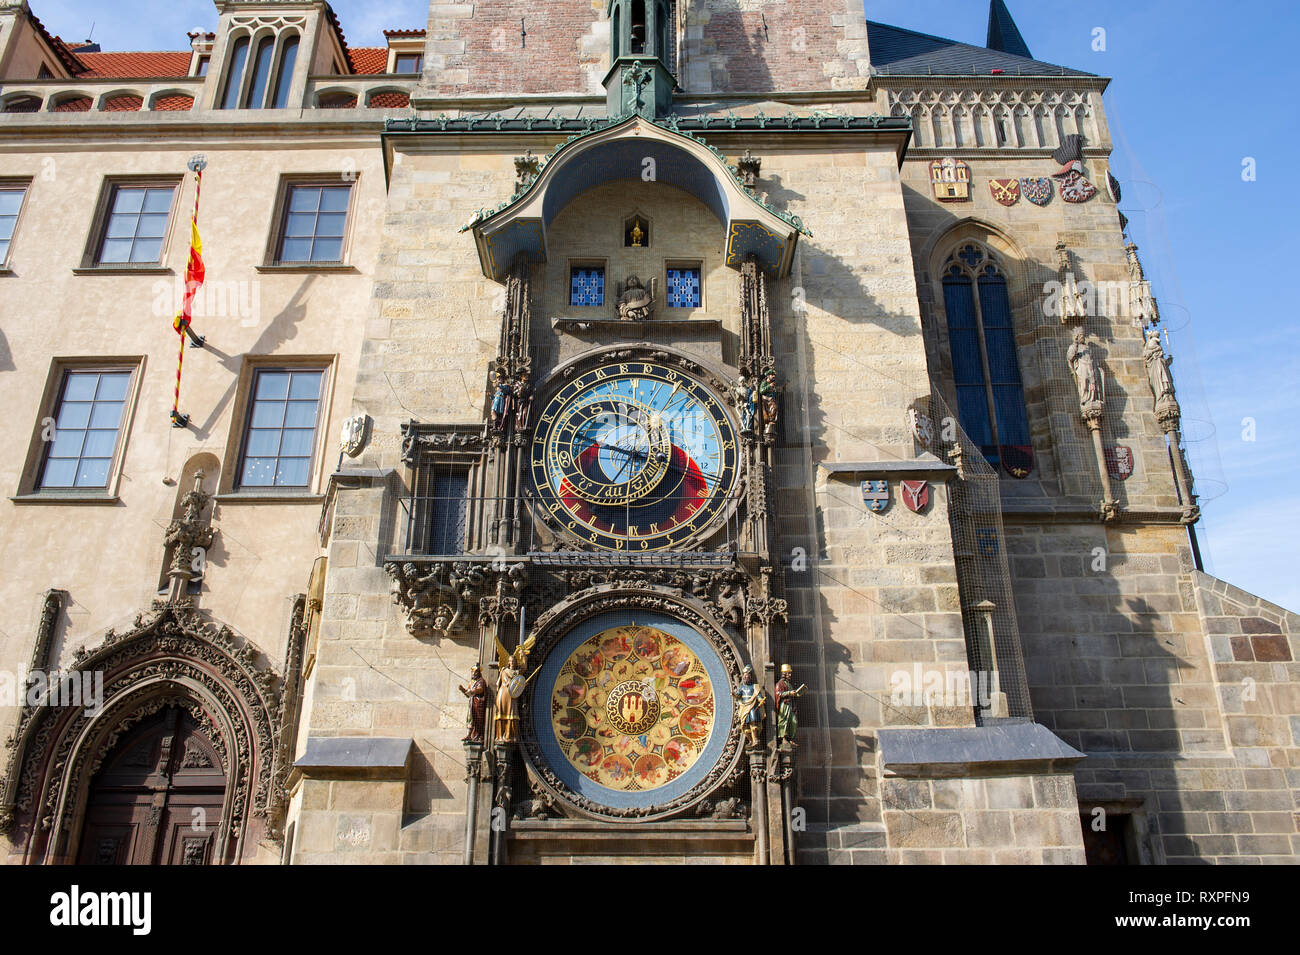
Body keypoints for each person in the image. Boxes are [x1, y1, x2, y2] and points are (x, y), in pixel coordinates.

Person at [733, 665, 766, 748]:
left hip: (752, 707)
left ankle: (756, 739)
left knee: (753, 723)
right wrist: (734, 695)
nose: (746, 678)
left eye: (747, 677)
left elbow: (758, 695)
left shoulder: (754, 687)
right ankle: (750, 740)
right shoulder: (742, 688)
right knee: (745, 725)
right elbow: (738, 695)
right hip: (744, 707)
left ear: (750, 677)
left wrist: (760, 700)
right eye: (744, 677)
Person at [458, 664, 487, 743]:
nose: (474, 674)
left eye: (475, 672)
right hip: (472, 704)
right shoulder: (472, 682)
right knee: (470, 719)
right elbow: (468, 694)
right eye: (472, 672)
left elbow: (480, 689)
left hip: (478, 704)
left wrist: (473, 691)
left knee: (477, 719)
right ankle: (469, 735)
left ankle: (478, 736)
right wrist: (463, 689)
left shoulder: (481, 681)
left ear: (479, 673)